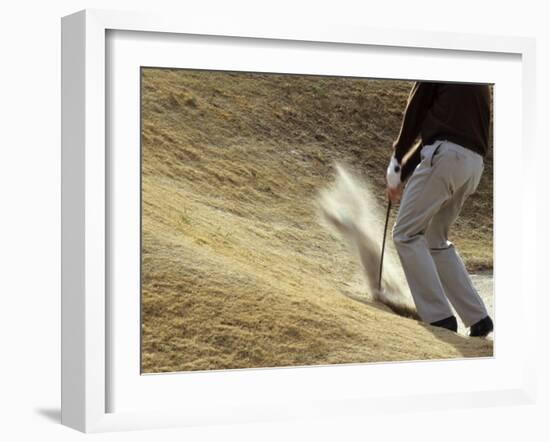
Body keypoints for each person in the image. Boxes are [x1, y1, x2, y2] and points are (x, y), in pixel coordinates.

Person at [386, 81, 493, 337]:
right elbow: (437, 135)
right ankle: (478, 317)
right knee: (435, 239)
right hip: (472, 165)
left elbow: (415, 112)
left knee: (406, 234)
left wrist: (396, 159)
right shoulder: (479, 77)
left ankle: (439, 318)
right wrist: (402, 172)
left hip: (446, 157)